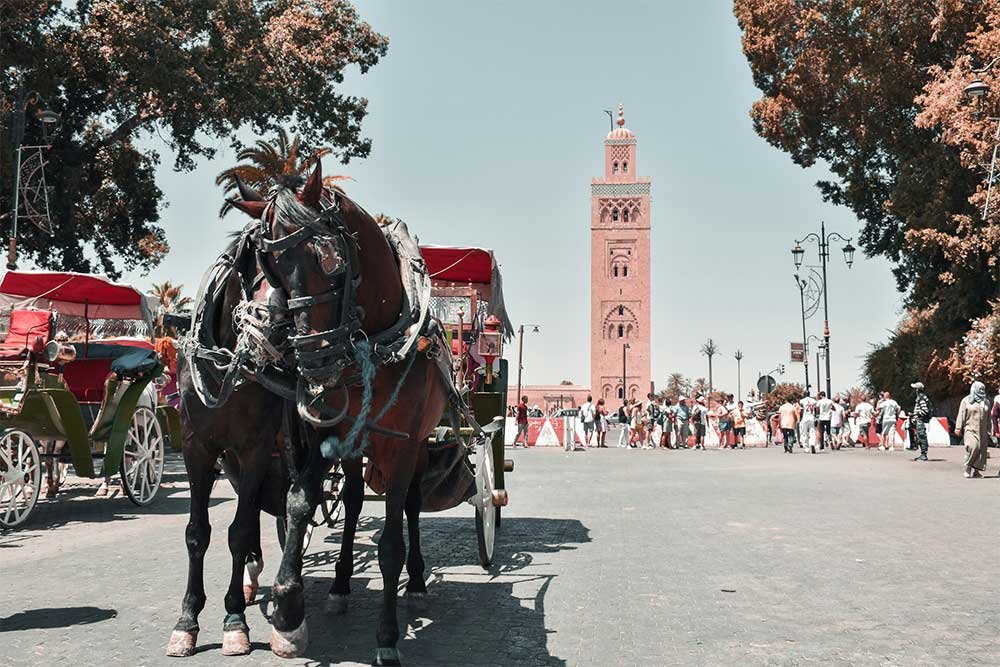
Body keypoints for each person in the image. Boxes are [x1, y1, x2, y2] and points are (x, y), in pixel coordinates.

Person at [955, 380, 990, 478]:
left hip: (982, 431)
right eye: (980, 389)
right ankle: (968, 467)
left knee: (981, 450)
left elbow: (989, 417)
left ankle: (976, 471)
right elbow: (961, 414)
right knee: (973, 447)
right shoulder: (966, 401)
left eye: (983, 389)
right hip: (970, 428)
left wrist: (990, 429)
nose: (982, 391)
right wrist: (958, 427)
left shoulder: (986, 401)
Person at [909, 382, 931, 462]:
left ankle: (924, 455)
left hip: (920, 419)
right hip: (919, 419)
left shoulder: (921, 398)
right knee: (920, 436)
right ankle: (923, 454)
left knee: (921, 436)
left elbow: (925, 410)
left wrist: (915, 414)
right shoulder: (921, 397)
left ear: (917, 390)